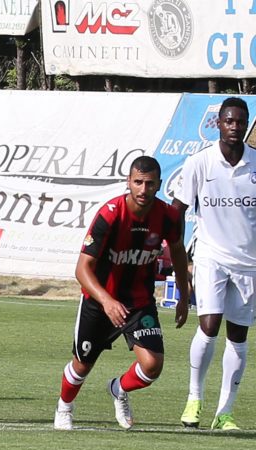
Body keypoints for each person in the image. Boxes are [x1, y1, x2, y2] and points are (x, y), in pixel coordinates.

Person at [53, 156, 189, 430]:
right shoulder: (110, 214)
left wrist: (184, 296)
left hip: (139, 303)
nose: (143, 189)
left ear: (159, 185)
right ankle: (64, 407)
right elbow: (82, 269)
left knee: (152, 366)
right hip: (100, 300)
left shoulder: (169, 216)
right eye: (137, 182)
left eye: (149, 184)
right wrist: (107, 300)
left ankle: (118, 389)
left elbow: (177, 252)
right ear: (128, 182)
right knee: (82, 365)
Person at [175, 97, 256, 431]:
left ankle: (225, 412)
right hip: (210, 256)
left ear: (246, 124)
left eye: (240, 121)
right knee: (209, 325)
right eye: (228, 121)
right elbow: (178, 209)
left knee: (238, 336)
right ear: (218, 124)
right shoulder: (199, 163)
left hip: (249, 265)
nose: (234, 127)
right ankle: (194, 399)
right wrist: (176, 253)